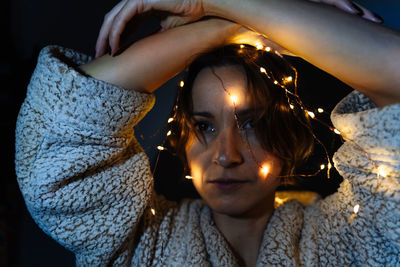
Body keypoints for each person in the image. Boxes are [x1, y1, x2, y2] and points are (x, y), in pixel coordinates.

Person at [15, 0, 400, 266]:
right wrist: (221, 27)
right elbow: (60, 126)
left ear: (288, 134)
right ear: (181, 137)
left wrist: (217, 1)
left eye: (251, 123)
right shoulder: (137, 245)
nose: (225, 155)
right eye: (204, 126)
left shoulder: (352, 234)